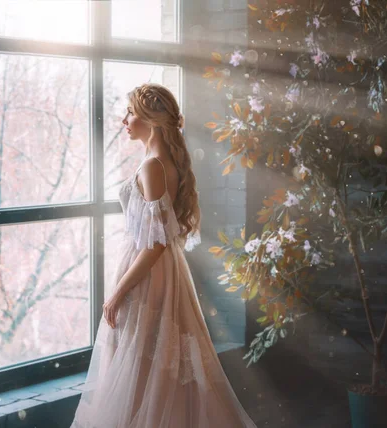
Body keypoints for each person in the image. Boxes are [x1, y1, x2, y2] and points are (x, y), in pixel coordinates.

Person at [70, 83, 257, 428]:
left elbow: (155, 244)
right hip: (157, 269)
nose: (123, 120)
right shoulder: (160, 161)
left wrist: (118, 293)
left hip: (147, 273)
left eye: (129, 113)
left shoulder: (154, 166)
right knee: (150, 363)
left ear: (150, 120)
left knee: (140, 361)